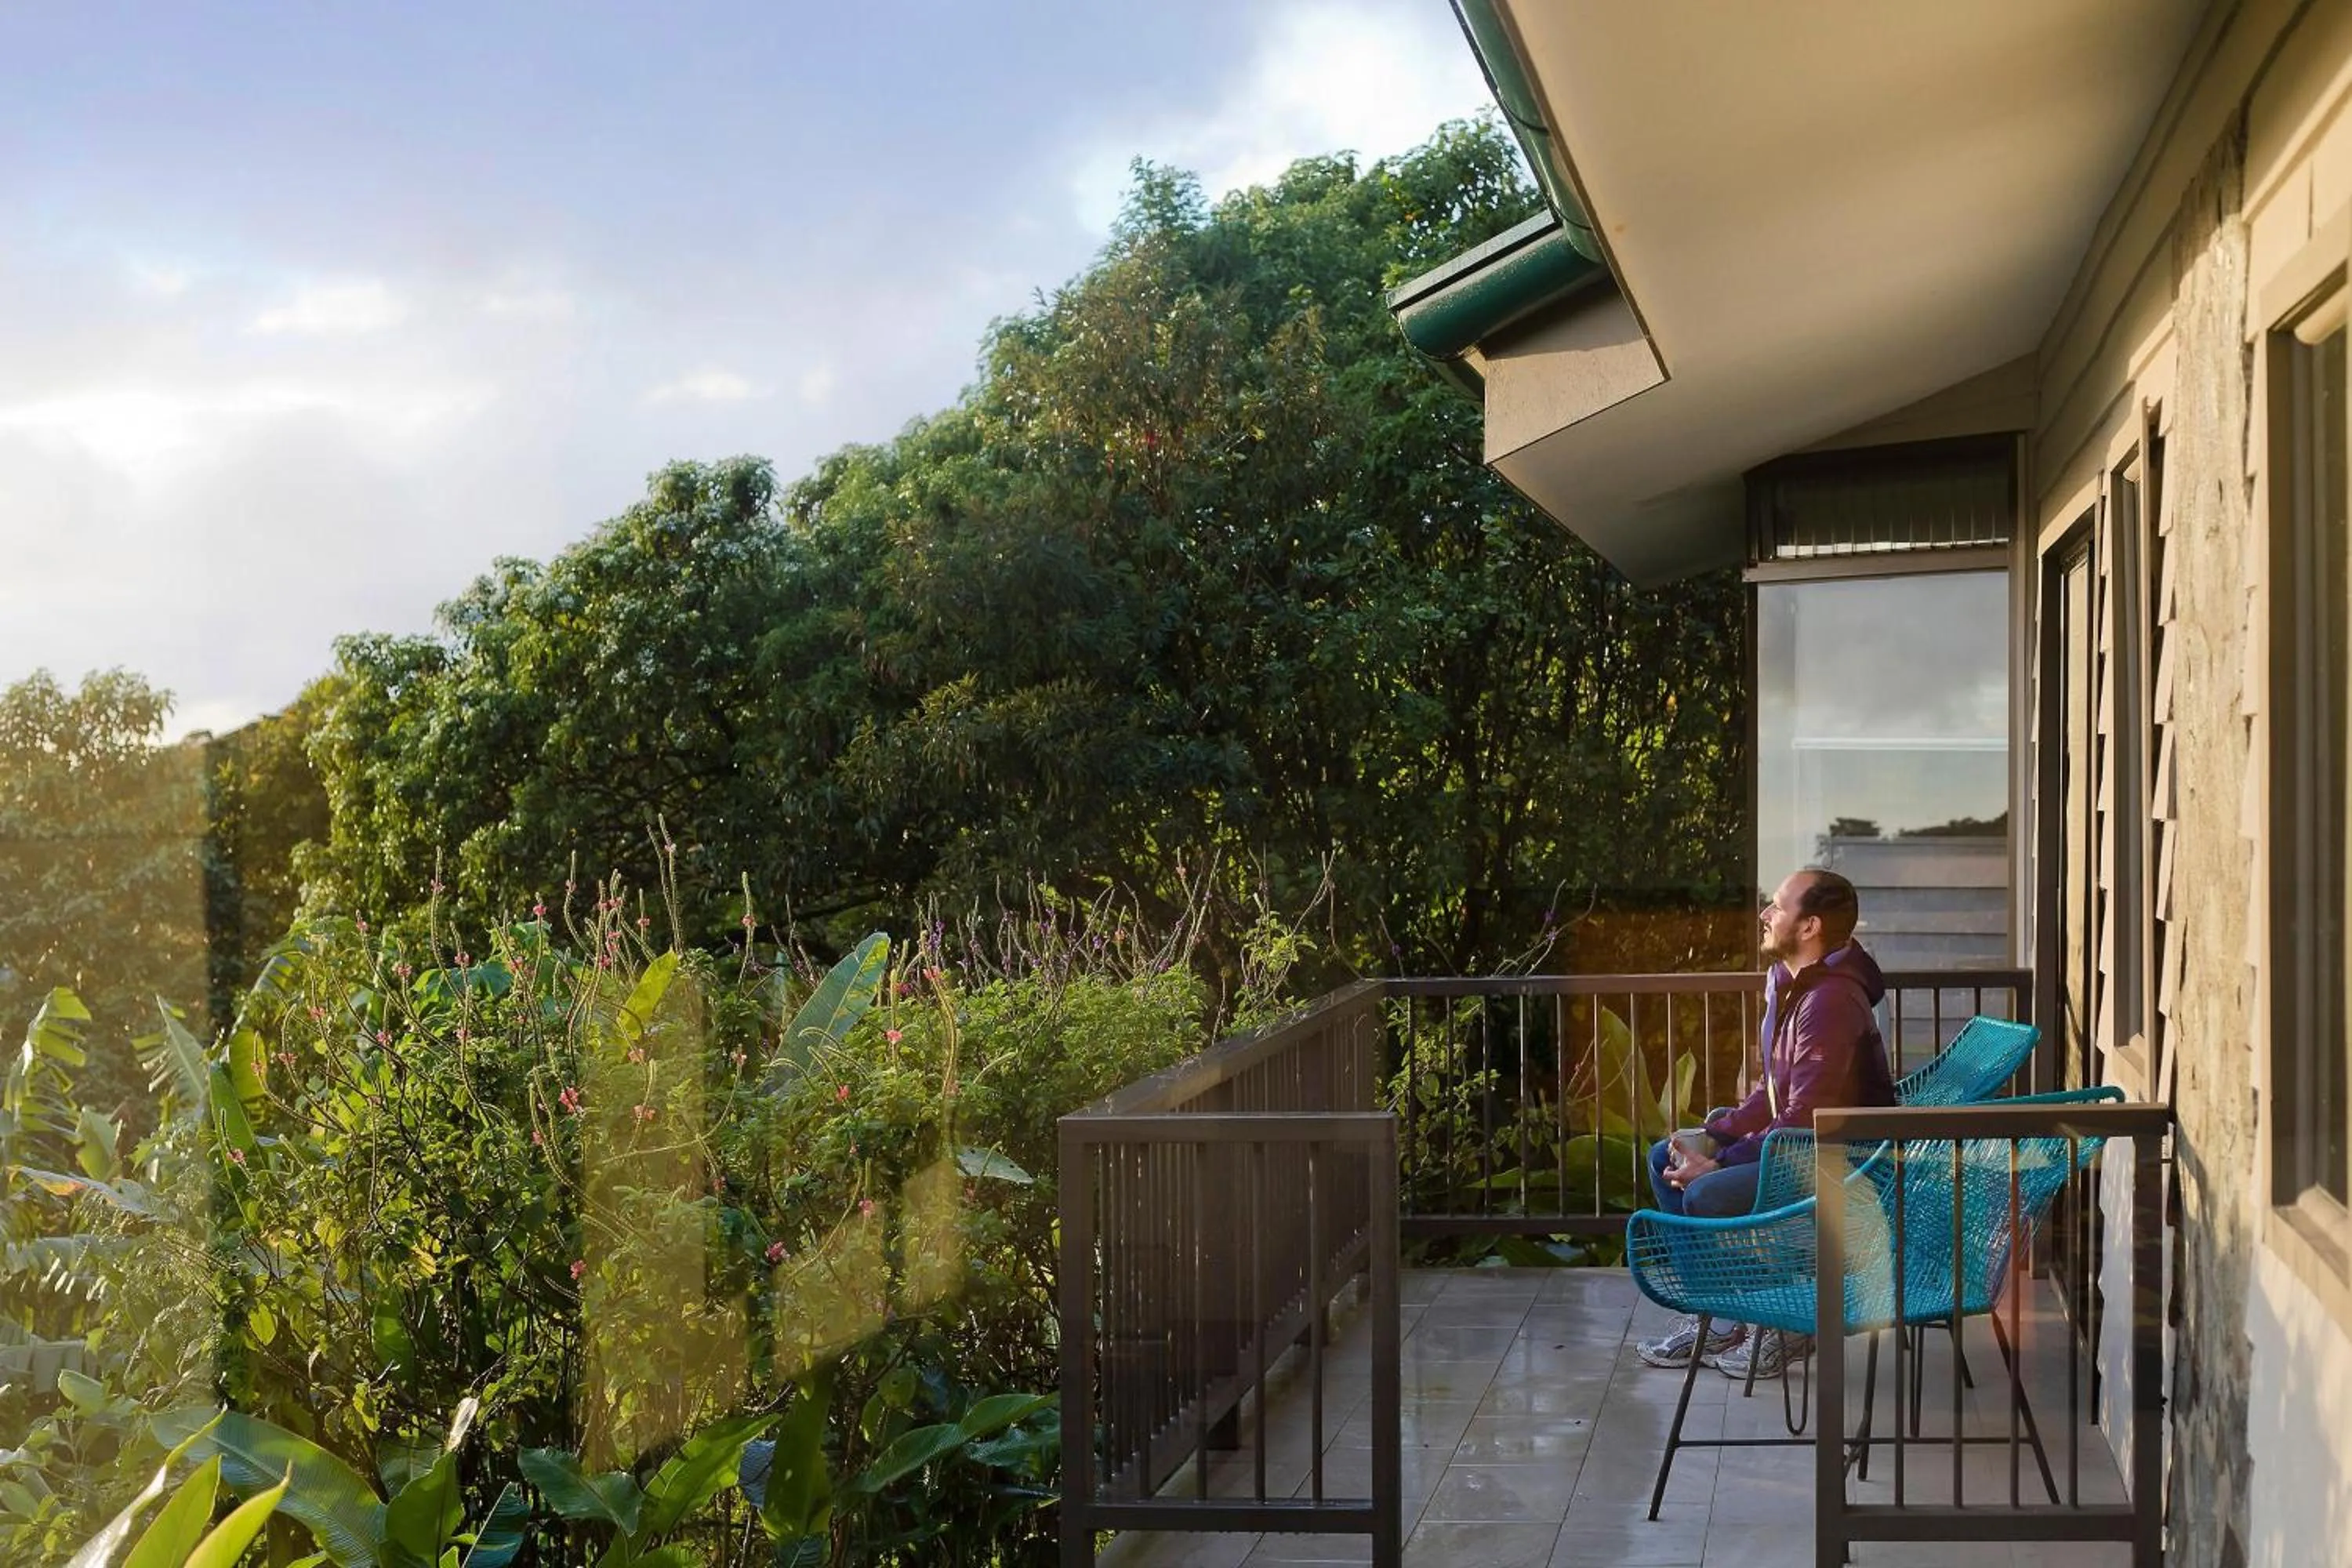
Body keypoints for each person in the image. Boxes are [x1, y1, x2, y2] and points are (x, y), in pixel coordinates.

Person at [1634, 867, 1894, 1378]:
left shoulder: (1831, 1001)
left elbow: (1805, 1118)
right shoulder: (1791, 984)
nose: (1765, 915)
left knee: (1706, 1195)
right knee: (1665, 1157)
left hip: (1841, 1164)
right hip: (1802, 1145)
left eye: (1777, 906)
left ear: (1809, 926)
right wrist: (1718, 1132)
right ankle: (1722, 1318)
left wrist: (1719, 1164)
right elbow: (1773, 1093)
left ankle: (1788, 1321)